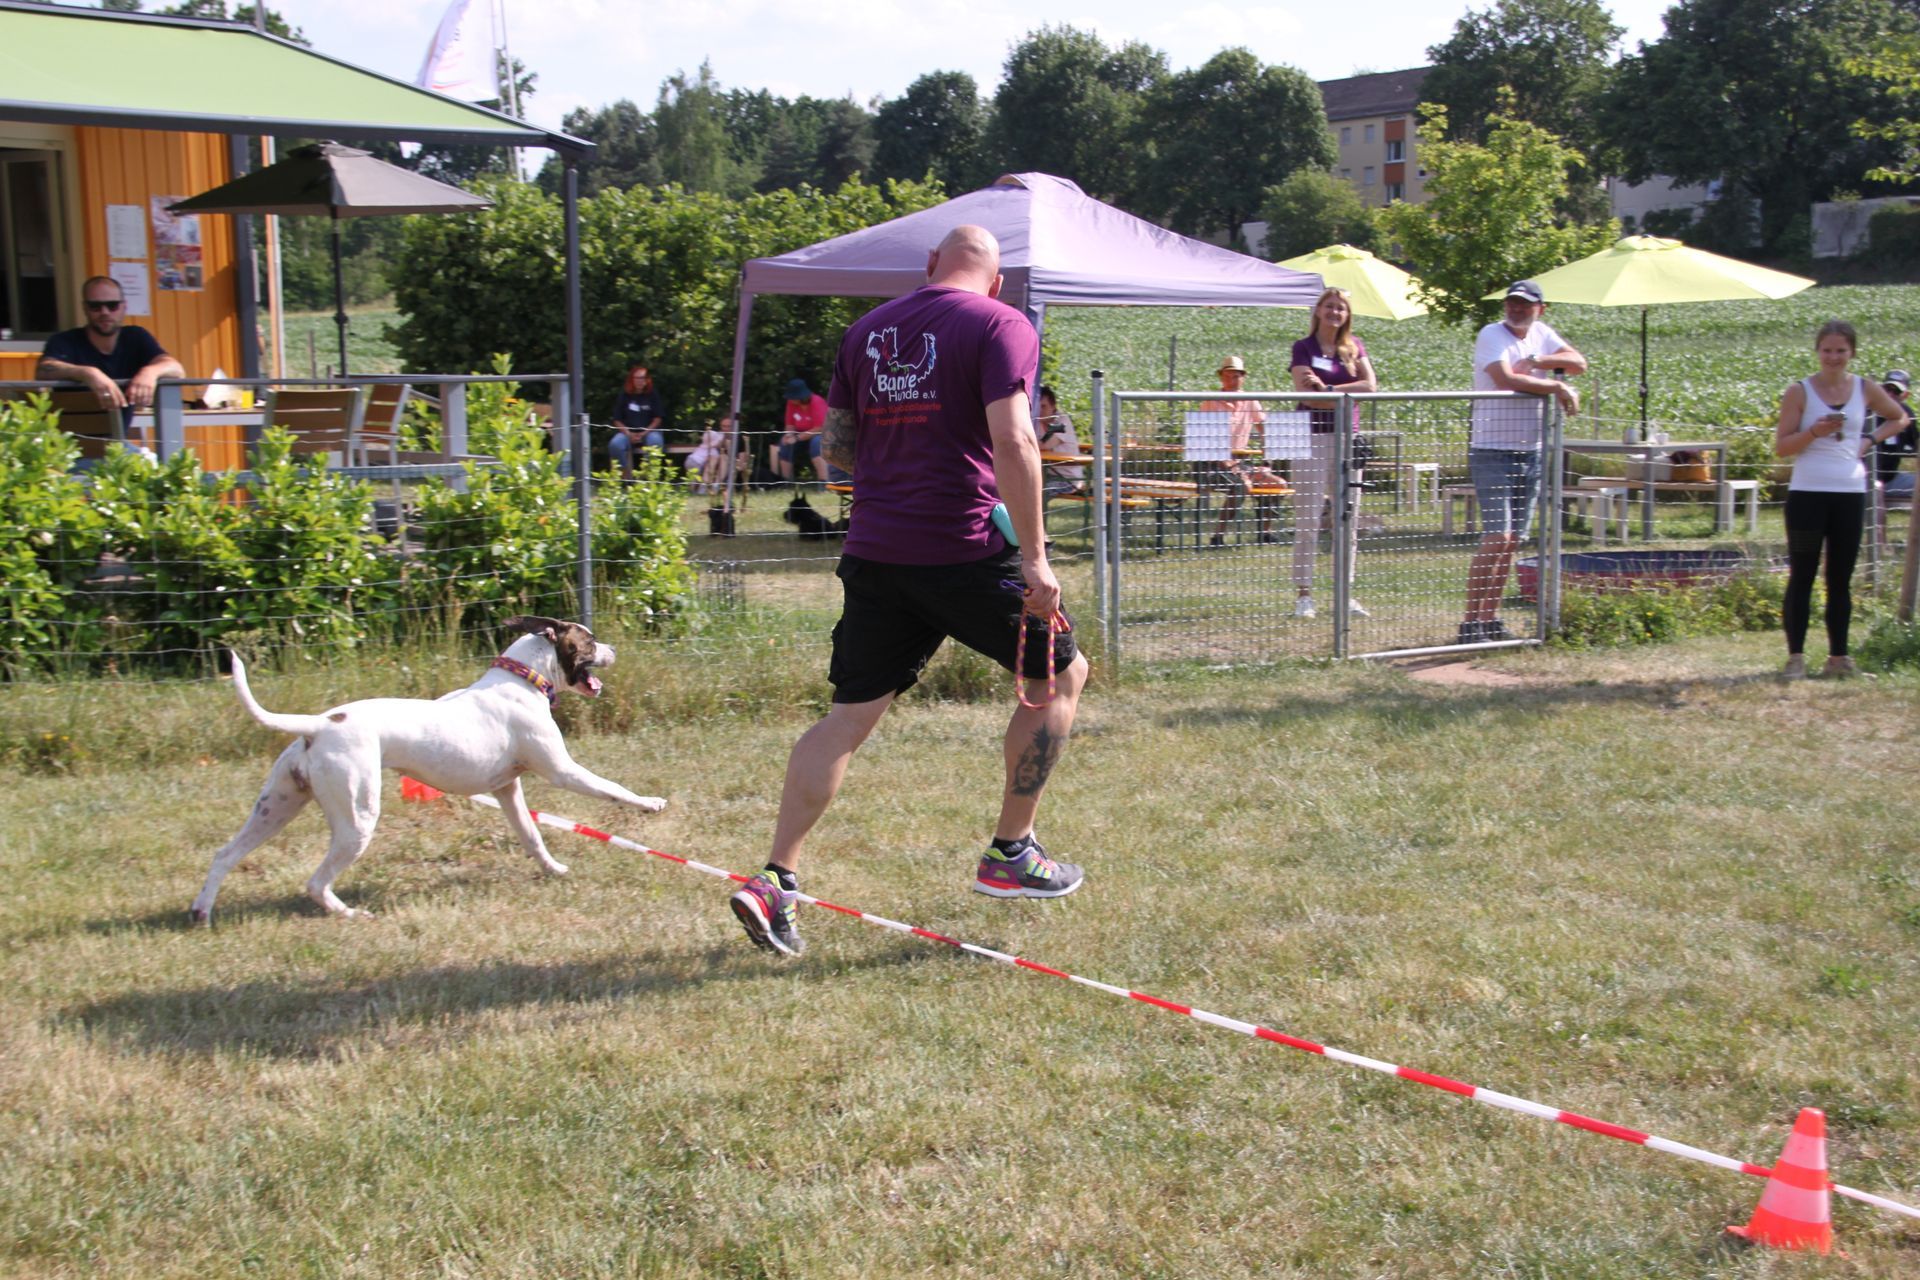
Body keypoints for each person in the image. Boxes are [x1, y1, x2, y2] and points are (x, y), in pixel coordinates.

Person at [729, 224, 1089, 957]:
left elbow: (837, 451)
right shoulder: (1001, 324)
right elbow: (1016, 440)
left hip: (876, 552)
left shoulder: (864, 332)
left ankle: (775, 878)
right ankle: (1011, 854)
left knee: (846, 719)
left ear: (929, 266)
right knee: (1060, 675)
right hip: (964, 550)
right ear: (996, 281)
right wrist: (1036, 559)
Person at [1774, 322, 1911, 679]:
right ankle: (1796, 658)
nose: (1833, 357)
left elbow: (1899, 417)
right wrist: (1814, 432)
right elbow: (1782, 447)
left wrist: (1868, 440)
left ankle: (1839, 658)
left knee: (1840, 578)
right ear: (1817, 351)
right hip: (1808, 493)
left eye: (1841, 351)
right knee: (1802, 575)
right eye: (1827, 350)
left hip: (1849, 493)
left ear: (1852, 353)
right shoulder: (1799, 392)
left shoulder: (1865, 388)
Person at [1459, 281, 1586, 645]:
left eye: (1524, 304)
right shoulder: (1491, 334)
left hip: (1531, 450)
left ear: (1540, 309)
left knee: (1513, 541)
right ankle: (1469, 623)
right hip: (1491, 449)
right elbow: (1504, 379)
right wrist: (1557, 387)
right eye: (1511, 303)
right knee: (1497, 536)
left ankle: (1489, 619)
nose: (1516, 309)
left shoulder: (1542, 334)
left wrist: (1539, 361)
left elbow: (1579, 363)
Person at [1289, 287, 1378, 618]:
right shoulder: (1303, 347)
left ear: (1348, 314)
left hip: (1347, 438)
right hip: (1310, 438)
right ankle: (1304, 595)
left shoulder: (1355, 347)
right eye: (1329, 306)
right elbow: (1307, 397)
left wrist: (1328, 389)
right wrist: (1342, 396)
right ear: (1318, 310)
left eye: (1341, 308)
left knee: (1347, 519)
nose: (1334, 312)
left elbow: (1370, 386)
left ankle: (1345, 593)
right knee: (1308, 518)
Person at [36, 275, 184, 447]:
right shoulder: (64, 341)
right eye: (95, 306)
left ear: (124, 307)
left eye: (112, 305)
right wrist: (88, 373)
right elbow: (43, 369)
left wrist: (150, 372)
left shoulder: (136, 337)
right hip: (68, 450)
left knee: (159, 461)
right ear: (85, 308)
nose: (104, 312)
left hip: (116, 447)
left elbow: (177, 369)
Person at [1200, 356, 1284, 547]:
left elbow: (1266, 431)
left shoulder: (1251, 401)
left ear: (1243, 378)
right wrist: (1225, 462)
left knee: (1277, 483)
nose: (1231, 381)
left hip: (1241, 463)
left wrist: (1267, 463)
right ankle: (1218, 536)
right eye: (1227, 376)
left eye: (1236, 376)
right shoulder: (1210, 402)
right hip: (1211, 464)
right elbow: (1204, 438)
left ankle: (1265, 532)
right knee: (1242, 485)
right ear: (1221, 377)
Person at [607, 363, 666, 480]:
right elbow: (617, 420)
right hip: (627, 432)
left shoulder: (652, 394)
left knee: (655, 441)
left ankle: (647, 478)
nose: (640, 381)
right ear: (632, 380)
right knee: (615, 445)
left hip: (649, 432)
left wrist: (644, 433)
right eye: (637, 378)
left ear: (647, 380)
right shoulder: (624, 395)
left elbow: (658, 418)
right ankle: (626, 477)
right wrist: (629, 434)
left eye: (643, 378)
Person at [771, 377, 830, 483]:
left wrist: (797, 438)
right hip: (800, 434)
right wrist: (788, 435)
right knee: (785, 444)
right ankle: (786, 481)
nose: (790, 399)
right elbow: (790, 424)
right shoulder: (791, 403)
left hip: (819, 434)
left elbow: (819, 428)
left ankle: (823, 481)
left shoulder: (817, 402)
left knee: (816, 443)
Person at [1034, 385, 1084, 498]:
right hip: (1047, 475)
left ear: (1053, 406)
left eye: (1043, 406)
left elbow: (1045, 445)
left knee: (1039, 491)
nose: (1040, 411)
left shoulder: (1062, 421)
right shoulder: (1037, 423)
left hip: (1069, 479)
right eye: (1037, 407)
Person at [1872, 369, 1915, 499]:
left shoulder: (1906, 413)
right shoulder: (1868, 413)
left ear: (1905, 395)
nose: (1890, 394)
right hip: (1866, 480)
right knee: (1876, 489)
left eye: (1896, 391)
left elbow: (1915, 444)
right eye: (1887, 389)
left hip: (1892, 479)